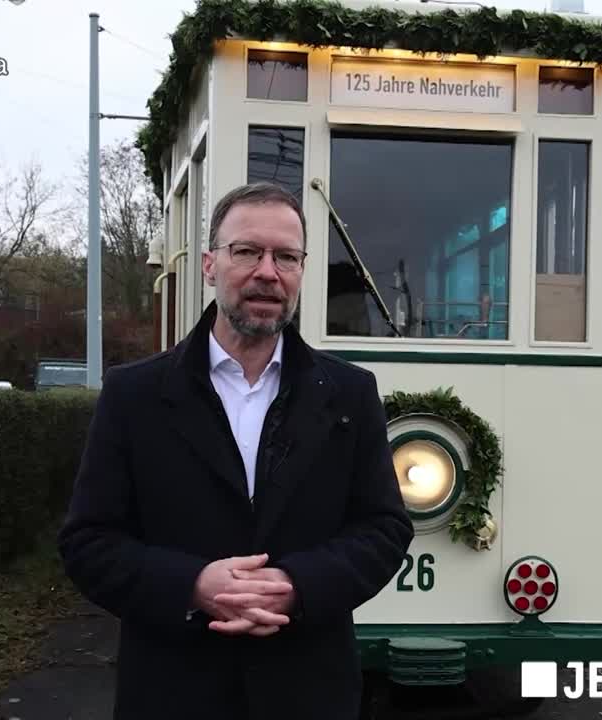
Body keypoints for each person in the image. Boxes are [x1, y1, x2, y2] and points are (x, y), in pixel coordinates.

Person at [57, 182, 415, 720]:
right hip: (173, 692)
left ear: (300, 271)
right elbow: (88, 541)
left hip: (308, 693)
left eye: (286, 257)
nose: (268, 272)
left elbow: (384, 529)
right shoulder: (135, 394)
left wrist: (298, 585)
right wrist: (192, 586)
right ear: (208, 265)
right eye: (247, 251)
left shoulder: (349, 394)